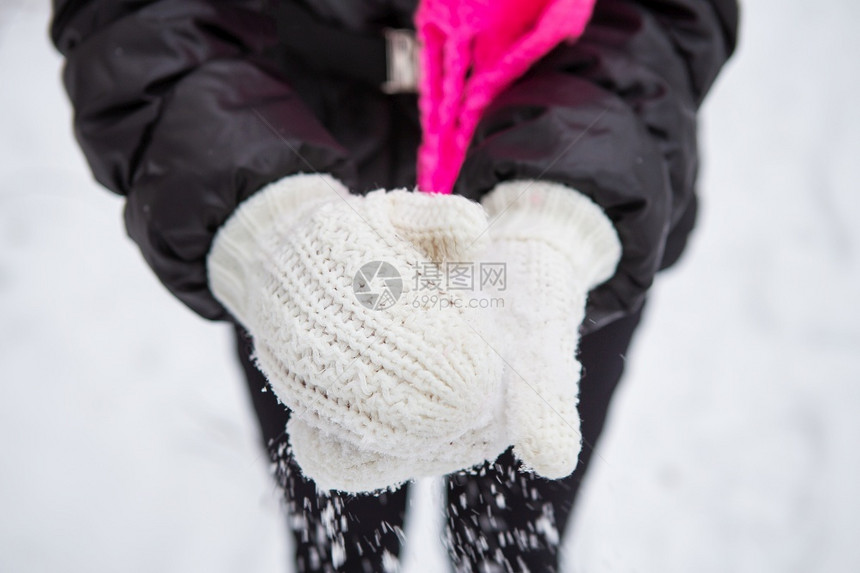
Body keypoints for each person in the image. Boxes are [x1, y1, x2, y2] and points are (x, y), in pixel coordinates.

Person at [50, 0, 738, 571]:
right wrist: (267, 217)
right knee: (342, 537)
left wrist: (559, 206)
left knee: (512, 538)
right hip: (296, 165)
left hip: (567, 169)